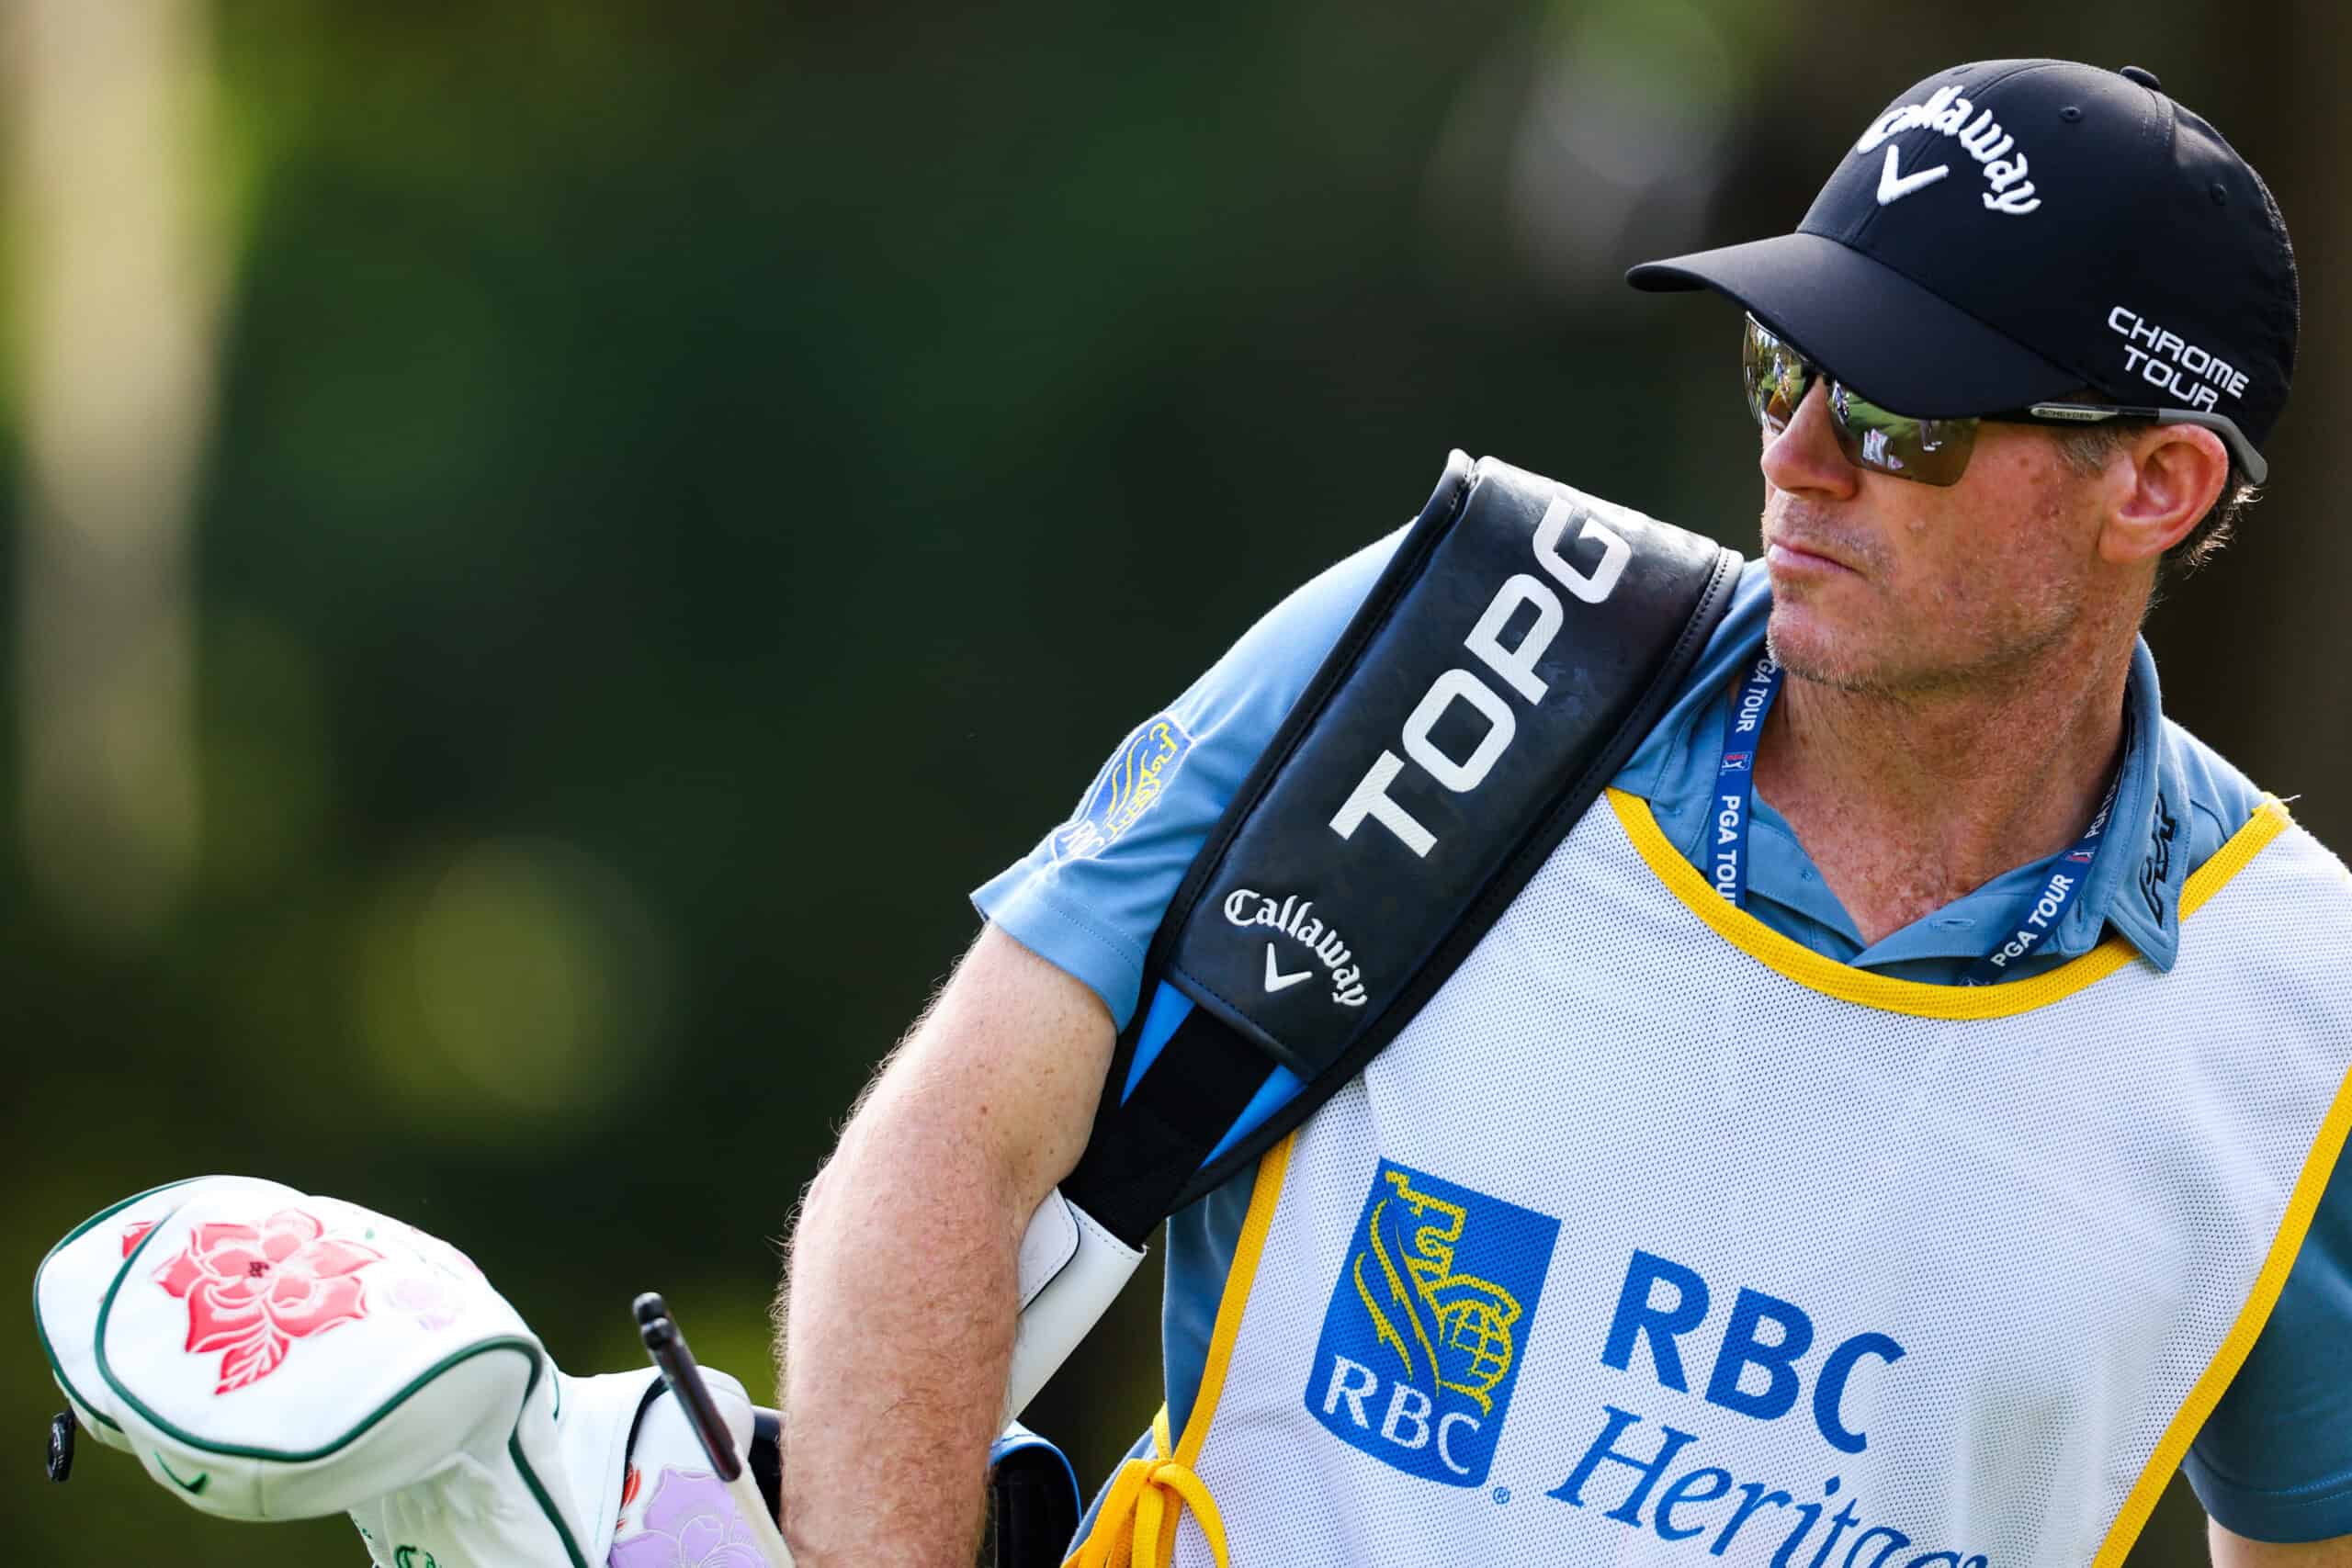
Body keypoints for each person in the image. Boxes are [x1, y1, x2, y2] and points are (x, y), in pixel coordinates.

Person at [776, 59, 2352, 1567]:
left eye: (1901, 418)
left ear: (2156, 486)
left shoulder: (2302, 1007)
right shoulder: (1471, 637)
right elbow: (949, 1153)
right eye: (1779, 367)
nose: (1798, 458)